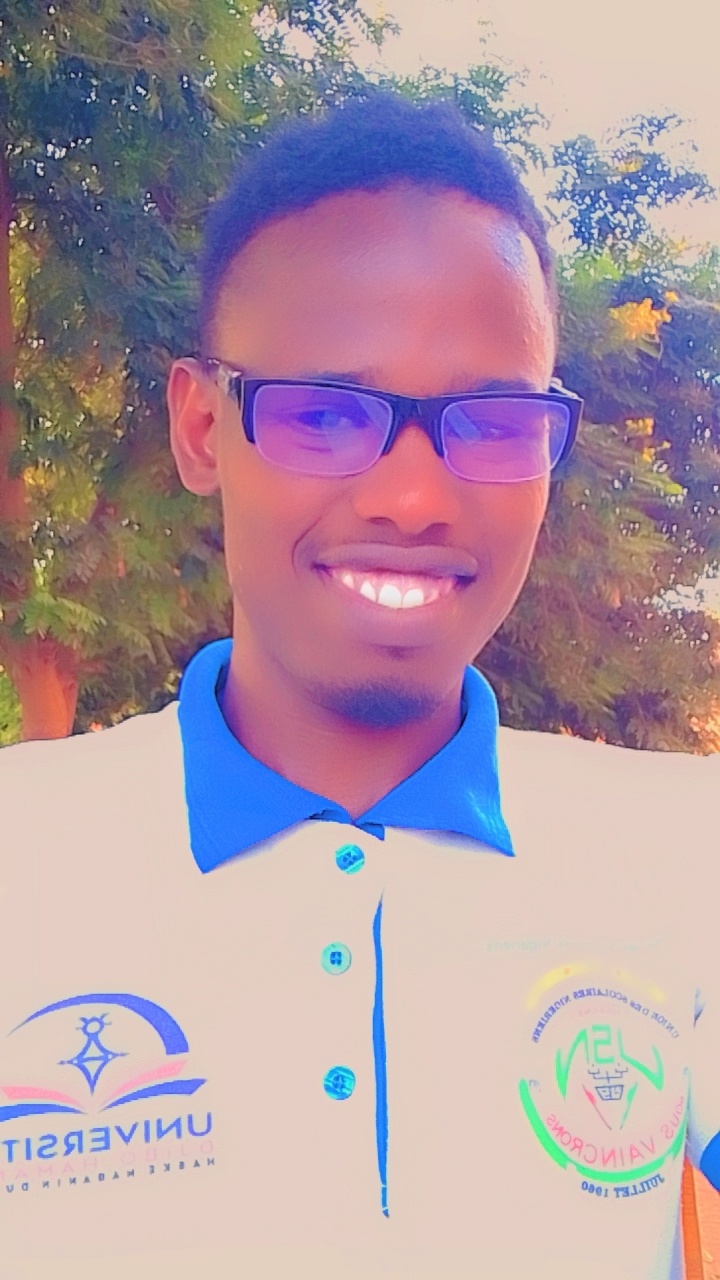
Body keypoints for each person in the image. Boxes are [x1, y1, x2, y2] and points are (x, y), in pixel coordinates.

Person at [0, 93, 717, 1280]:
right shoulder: (24, 851)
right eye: (326, 414)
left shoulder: (680, 851)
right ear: (201, 428)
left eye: (491, 421)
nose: (413, 498)